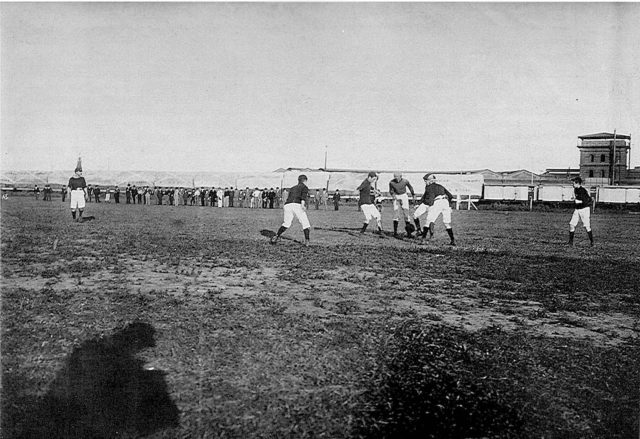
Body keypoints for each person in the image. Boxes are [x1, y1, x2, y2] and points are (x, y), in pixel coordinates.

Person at [270, 174, 311, 246]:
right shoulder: (304, 187)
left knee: (287, 223)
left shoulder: (292, 188)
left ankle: (276, 236)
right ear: (305, 181)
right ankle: (307, 241)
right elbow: (303, 197)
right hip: (297, 205)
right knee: (305, 223)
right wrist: (302, 205)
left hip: (287, 205)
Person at [414, 173, 455, 245]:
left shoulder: (429, 187)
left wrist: (430, 206)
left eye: (426, 181)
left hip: (438, 202)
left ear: (430, 181)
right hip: (445, 203)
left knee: (428, 221)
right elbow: (450, 196)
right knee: (447, 223)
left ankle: (423, 240)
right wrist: (450, 206)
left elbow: (431, 199)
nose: (425, 182)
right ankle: (452, 241)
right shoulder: (440, 186)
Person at [389, 173, 416, 238]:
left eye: (397, 177)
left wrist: (413, 194)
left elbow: (410, 187)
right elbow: (391, 191)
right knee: (396, 214)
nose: (396, 178)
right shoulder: (391, 182)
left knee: (406, 214)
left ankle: (409, 233)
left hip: (404, 196)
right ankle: (395, 233)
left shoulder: (405, 181)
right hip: (396, 196)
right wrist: (394, 197)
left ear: (401, 176)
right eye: (395, 177)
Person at [569, 177, 594, 246]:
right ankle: (570, 242)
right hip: (577, 209)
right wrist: (574, 199)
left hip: (584, 209)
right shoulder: (575, 189)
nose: (572, 184)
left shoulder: (582, 191)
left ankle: (592, 242)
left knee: (587, 226)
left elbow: (586, 201)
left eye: (573, 183)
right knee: (571, 225)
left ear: (577, 183)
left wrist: (576, 200)